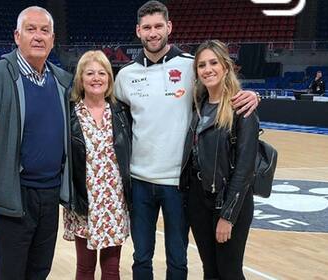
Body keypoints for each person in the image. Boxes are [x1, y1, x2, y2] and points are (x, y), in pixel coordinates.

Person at [114, 1, 260, 279]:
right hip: (139, 182)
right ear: (138, 31)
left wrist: (253, 96)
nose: (153, 32)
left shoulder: (192, 67)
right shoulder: (125, 76)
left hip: (179, 184)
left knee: (178, 260)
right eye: (147, 27)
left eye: (158, 26)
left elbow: (221, 90)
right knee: (141, 258)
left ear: (169, 27)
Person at [0, 6, 72, 280]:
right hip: (14, 199)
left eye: (45, 30)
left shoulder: (62, 82)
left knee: (39, 271)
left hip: (49, 198)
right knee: (12, 274)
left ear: (53, 38)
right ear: (17, 36)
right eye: (31, 29)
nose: (38, 36)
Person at [179, 40, 259, 280]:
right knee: (210, 271)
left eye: (213, 62)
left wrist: (228, 216)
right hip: (198, 202)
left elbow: (245, 170)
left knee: (230, 272)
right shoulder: (198, 104)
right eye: (201, 65)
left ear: (226, 66)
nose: (208, 69)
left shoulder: (241, 107)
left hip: (228, 204)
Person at [63, 50, 132, 280]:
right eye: (90, 73)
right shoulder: (70, 112)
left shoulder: (121, 111)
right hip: (85, 200)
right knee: (85, 268)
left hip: (114, 199)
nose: (96, 78)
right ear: (81, 79)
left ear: (110, 78)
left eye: (102, 73)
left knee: (112, 269)